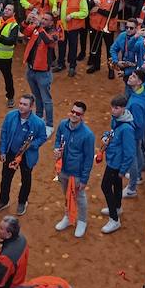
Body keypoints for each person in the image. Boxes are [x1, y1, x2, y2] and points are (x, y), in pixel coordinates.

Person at [0, 93, 48, 216]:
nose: (21, 106)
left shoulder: (39, 123)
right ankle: (3, 201)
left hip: (27, 157)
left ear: (31, 107)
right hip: (11, 153)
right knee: (6, 178)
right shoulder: (10, 116)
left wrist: (31, 145)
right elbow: (4, 134)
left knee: (26, 180)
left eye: (25, 104)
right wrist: (2, 151)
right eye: (20, 103)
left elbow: (43, 137)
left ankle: (22, 202)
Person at [53, 99, 95, 238]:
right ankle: (67, 216)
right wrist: (56, 149)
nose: (74, 115)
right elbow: (58, 139)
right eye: (72, 111)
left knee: (80, 197)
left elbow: (89, 159)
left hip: (76, 173)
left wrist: (84, 179)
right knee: (66, 195)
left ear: (82, 116)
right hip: (63, 169)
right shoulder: (62, 125)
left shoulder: (88, 135)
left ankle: (82, 221)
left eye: (78, 113)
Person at [99, 93, 136, 234]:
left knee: (105, 186)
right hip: (113, 159)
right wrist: (105, 136)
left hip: (116, 164)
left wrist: (122, 170)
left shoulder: (126, 129)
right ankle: (118, 207)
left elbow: (130, 152)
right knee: (116, 185)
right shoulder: (117, 119)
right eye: (112, 107)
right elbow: (112, 132)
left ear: (123, 108)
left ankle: (114, 219)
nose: (113, 110)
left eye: (116, 108)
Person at [22, 9, 56, 125]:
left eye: (46, 20)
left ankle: (49, 124)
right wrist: (27, 21)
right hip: (31, 69)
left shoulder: (54, 32)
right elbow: (25, 32)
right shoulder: (36, 29)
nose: (43, 21)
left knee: (47, 100)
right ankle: (39, 118)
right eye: (43, 18)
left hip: (43, 73)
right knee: (37, 96)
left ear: (51, 23)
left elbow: (48, 41)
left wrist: (39, 26)